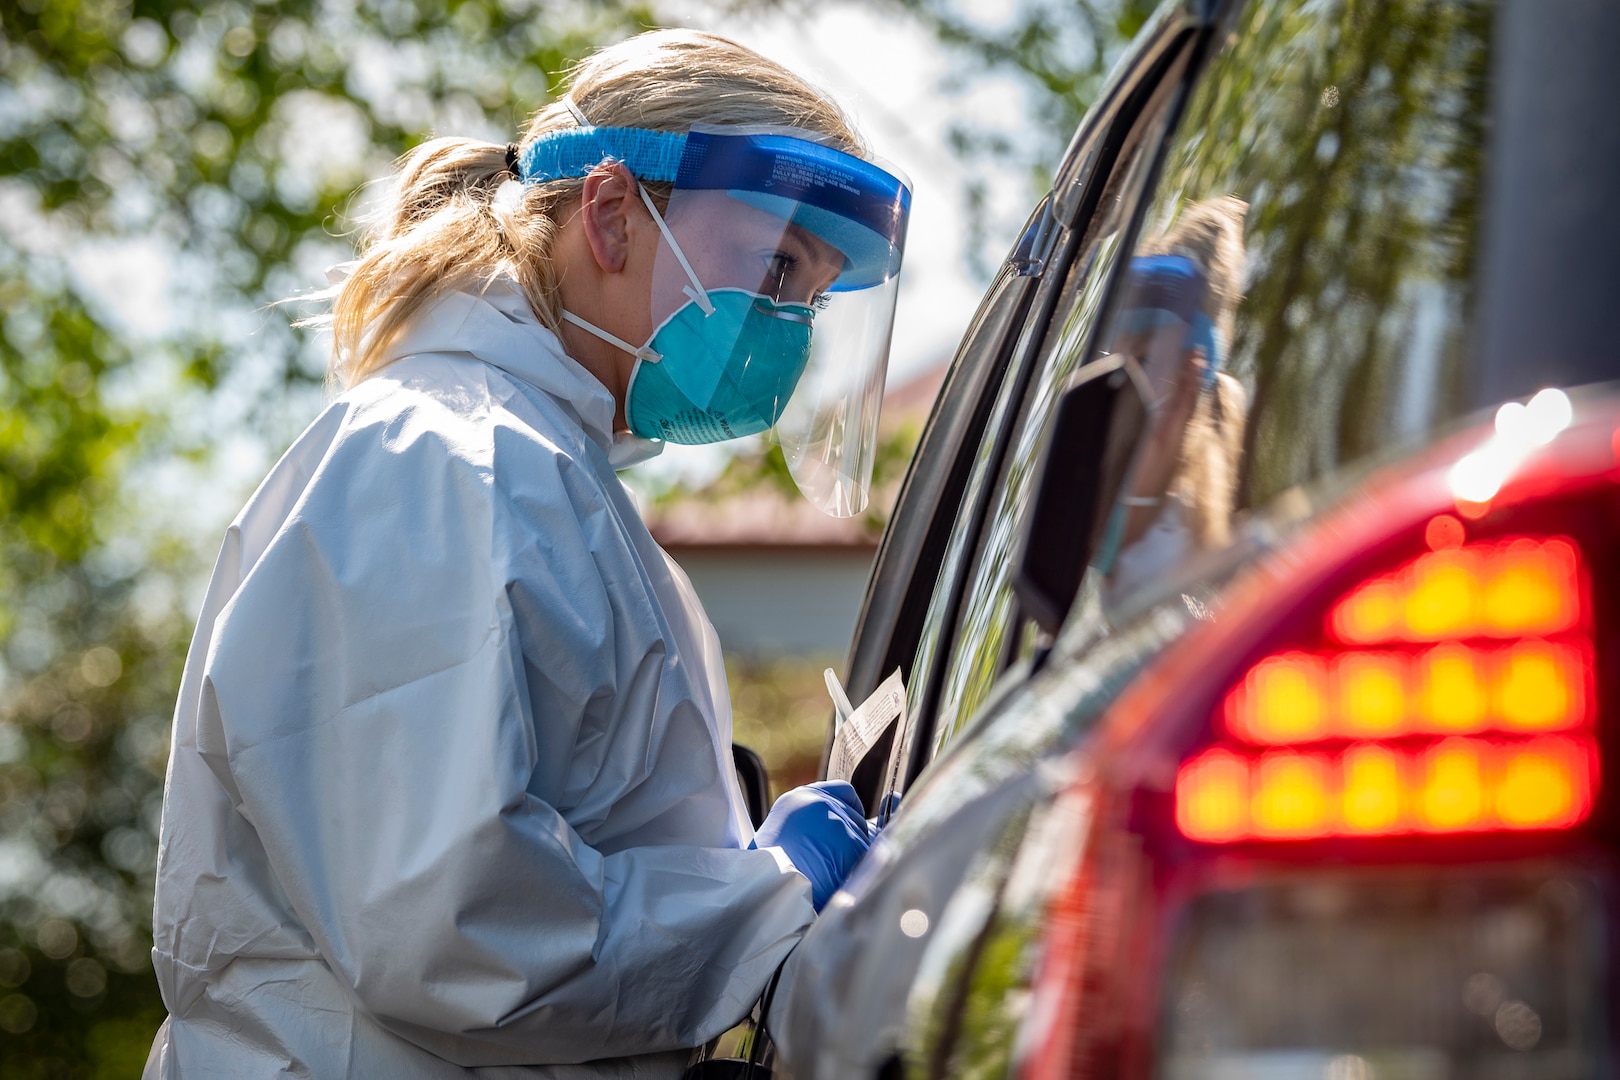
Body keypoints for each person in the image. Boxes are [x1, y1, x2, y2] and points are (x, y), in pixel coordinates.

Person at [145, 29, 911, 1078]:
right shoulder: (445, 462)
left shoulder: (545, 474)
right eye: (774, 265)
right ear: (608, 214)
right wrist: (769, 890)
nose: (785, 329)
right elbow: (452, 933)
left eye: (810, 298)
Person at [1099, 196, 1249, 600]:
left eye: (1143, 359)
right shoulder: (1090, 523)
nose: (1116, 384)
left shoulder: (1205, 575)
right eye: (1110, 360)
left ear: (1190, 379)